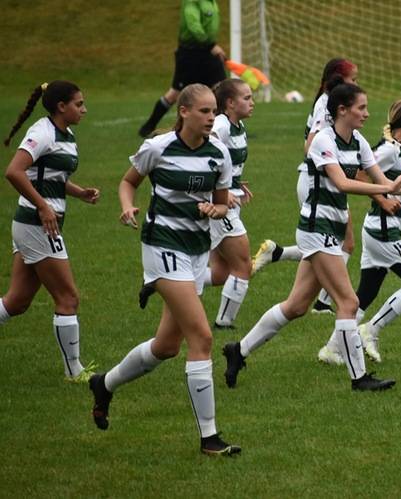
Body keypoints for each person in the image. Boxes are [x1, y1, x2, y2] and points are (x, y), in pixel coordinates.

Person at [222, 83, 401, 392]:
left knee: (297, 306)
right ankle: (359, 378)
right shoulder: (323, 141)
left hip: (332, 230)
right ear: (342, 110)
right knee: (348, 301)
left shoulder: (359, 142)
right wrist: (388, 189)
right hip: (315, 230)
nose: (367, 114)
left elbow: (383, 181)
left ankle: (238, 350)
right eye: (361, 108)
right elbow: (342, 183)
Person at [89, 84, 241, 456]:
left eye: (213, 112)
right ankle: (209, 439)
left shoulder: (217, 153)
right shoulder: (157, 147)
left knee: (167, 347)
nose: (210, 118)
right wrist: (127, 206)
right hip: (161, 247)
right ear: (184, 111)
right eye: (204, 111)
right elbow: (128, 181)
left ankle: (103, 384)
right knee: (202, 337)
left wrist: (214, 210)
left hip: (195, 251)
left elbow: (223, 205)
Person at [317, 100, 401, 365]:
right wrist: (384, 201)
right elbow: (359, 175)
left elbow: (391, 185)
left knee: (366, 294)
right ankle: (370, 330)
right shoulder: (390, 150)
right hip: (383, 234)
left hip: (378, 230)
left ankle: (331, 349)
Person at [1, 80, 99, 383]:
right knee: (68, 298)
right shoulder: (42, 133)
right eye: (79, 104)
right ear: (61, 107)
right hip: (36, 224)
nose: (84, 109)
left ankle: (74, 370)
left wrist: (79, 192)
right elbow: (14, 172)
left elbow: (48, 176)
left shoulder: (65, 135)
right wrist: (43, 206)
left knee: (16, 302)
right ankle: (75, 372)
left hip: (37, 223)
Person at [252, 58, 359, 315]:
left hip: (324, 183)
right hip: (316, 184)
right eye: (353, 80)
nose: (356, 84)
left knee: (329, 246)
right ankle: (323, 302)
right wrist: (334, 164)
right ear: (338, 78)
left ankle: (276, 254)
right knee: (341, 245)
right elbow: (311, 145)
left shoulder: (330, 102)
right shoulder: (327, 103)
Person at [199, 79, 255, 330]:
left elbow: (225, 162)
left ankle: (168, 283)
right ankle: (224, 322)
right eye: (246, 98)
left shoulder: (238, 125)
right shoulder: (220, 125)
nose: (252, 102)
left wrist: (236, 181)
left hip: (228, 197)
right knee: (244, 264)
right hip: (218, 205)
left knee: (221, 273)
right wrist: (218, 190)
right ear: (230, 103)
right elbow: (204, 156)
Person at [138, 0, 226, 138]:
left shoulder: (212, 2)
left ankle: (227, 130)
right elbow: (193, 25)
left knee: (221, 89)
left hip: (207, 51)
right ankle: (148, 127)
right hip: (190, 53)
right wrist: (210, 45)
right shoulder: (192, 2)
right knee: (175, 93)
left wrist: (210, 46)